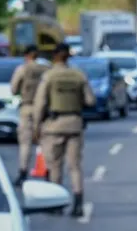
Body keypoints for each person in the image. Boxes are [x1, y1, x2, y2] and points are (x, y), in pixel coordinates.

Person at [32, 43, 95, 218]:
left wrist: (36, 126)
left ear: (54, 56)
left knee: (54, 165)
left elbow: (40, 104)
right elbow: (90, 100)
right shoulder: (79, 75)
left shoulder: (49, 76)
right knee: (75, 166)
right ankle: (78, 202)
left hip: (53, 125)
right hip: (74, 124)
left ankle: (57, 203)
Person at [10, 45, 50, 185]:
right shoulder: (46, 69)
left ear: (26, 55)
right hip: (43, 109)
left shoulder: (22, 69)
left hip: (27, 107)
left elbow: (13, 89)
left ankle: (23, 171)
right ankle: (48, 171)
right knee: (45, 141)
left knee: (25, 142)